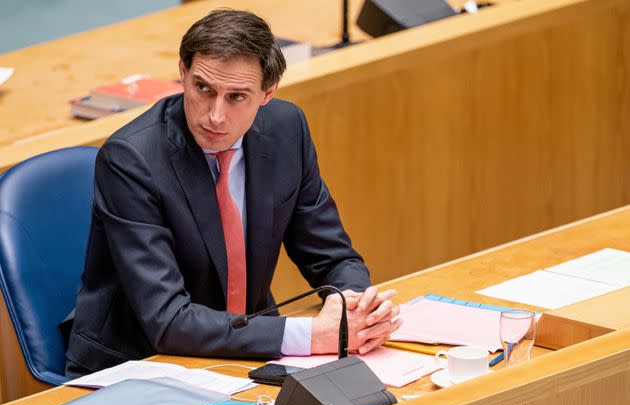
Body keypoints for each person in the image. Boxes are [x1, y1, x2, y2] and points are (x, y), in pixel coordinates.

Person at [65, 9, 401, 377]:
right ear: (182, 72)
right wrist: (313, 335)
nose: (215, 116)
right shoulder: (131, 160)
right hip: (139, 364)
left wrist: (352, 308)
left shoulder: (287, 129)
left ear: (267, 93)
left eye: (237, 96)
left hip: (247, 351)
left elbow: (333, 255)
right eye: (203, 88)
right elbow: (167, 321)